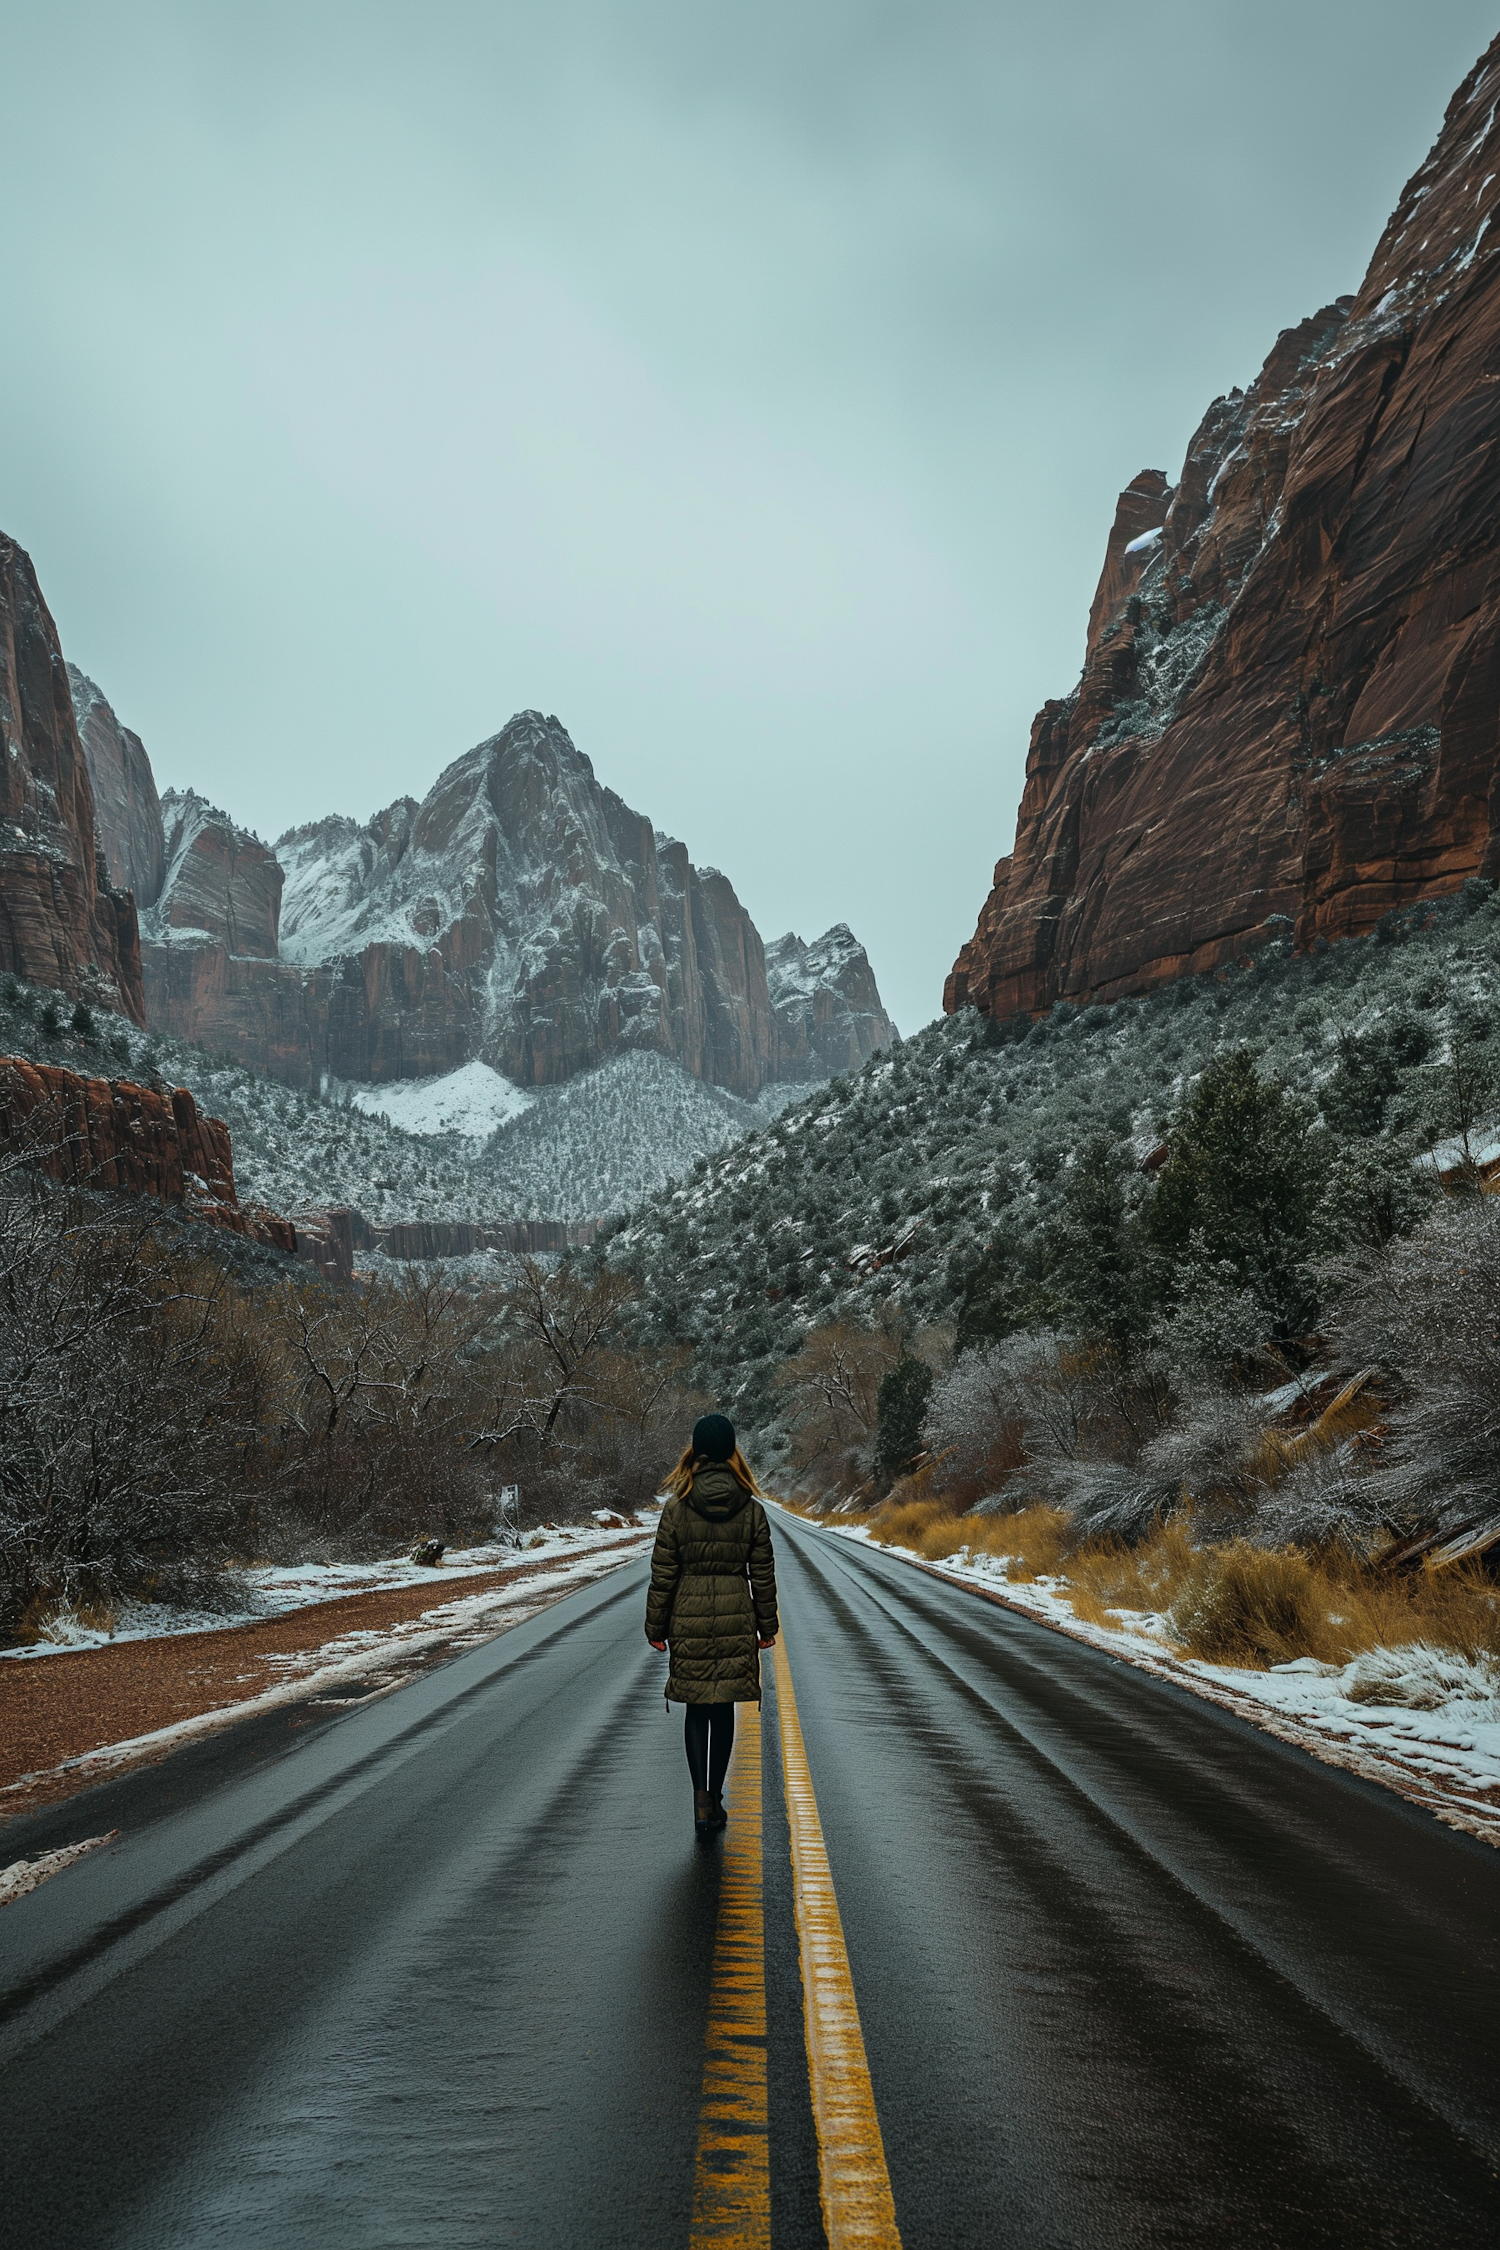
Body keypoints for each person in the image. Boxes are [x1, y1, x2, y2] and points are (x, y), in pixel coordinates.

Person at [645, 1412, 779, 1837]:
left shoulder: (677, 1508)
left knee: (696, 1707)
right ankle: (717, 1799)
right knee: (722, 1709)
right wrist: (767, 1626)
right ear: (732, 1452)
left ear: (695, 1452)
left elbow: (663, 1573)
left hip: (688, 1616)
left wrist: (656, 1628)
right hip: (737, 1613)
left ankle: (700, 1804)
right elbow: (763, 1573)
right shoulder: (751, 1509)